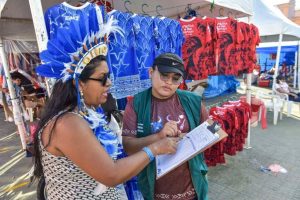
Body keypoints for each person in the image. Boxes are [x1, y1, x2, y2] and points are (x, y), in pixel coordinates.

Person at [33, 11, 179, 200]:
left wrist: (158, 137)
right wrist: (155, 149)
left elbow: (117, 153)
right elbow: (112, 174)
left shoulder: (88, 114)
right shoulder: (67, 124)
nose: (110, 83)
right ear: (80, 84)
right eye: (103, 79)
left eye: (109, 77)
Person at [122, 53, 209, 200]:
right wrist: (159, 137)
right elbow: (128, 146)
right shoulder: (136, 103)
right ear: (151, 72)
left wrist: (188, 140)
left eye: (175, 79)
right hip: (154, 189)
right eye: (164, 75)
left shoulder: (193, 101)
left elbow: (209, 134)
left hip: (192, 189)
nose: (169, 82)